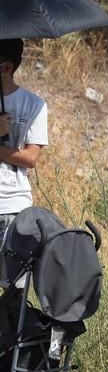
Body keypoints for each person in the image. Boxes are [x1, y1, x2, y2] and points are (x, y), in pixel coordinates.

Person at [0, 39, 48, 288]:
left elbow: (30, 158)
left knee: (15, 290)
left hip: (14, 205)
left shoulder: (35, 105)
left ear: (6, 68)